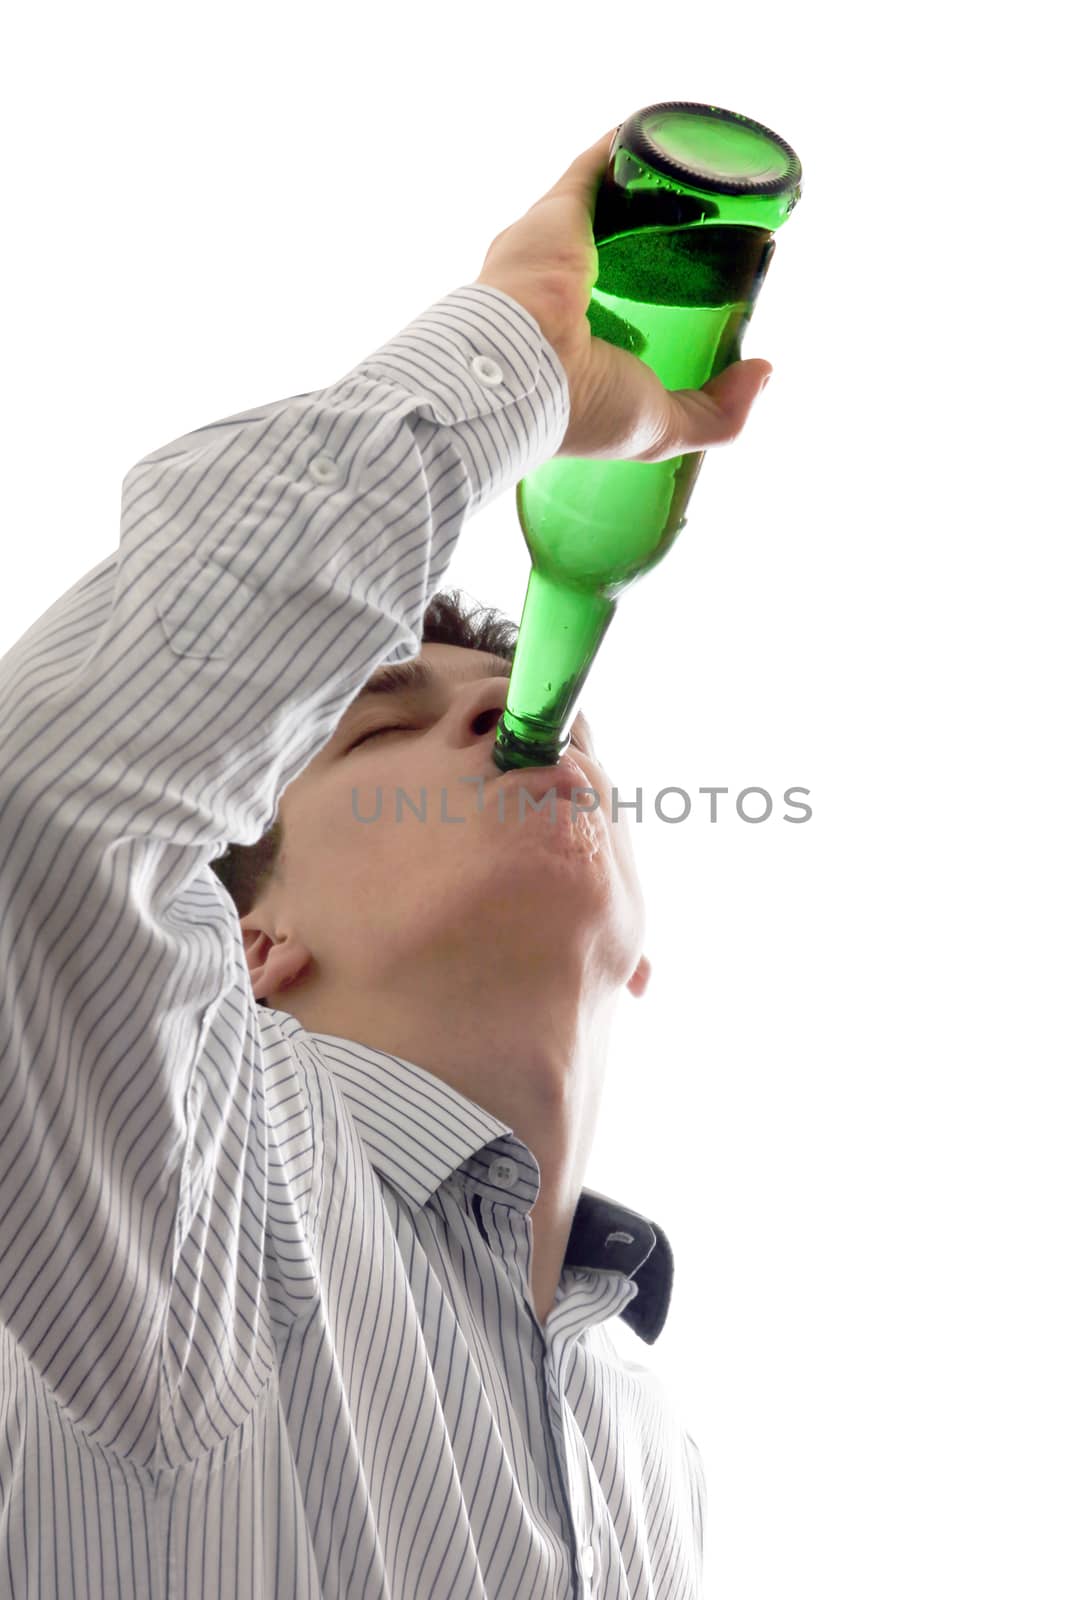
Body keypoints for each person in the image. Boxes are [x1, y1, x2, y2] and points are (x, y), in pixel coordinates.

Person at [0, 125, 772, 1599]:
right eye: (378, 734)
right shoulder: (188, 1185)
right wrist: (520, 358)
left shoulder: (649, 1438)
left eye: (531, 712)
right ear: (244, 945)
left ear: (640, 945)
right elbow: (47, 801)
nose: (504, 708)